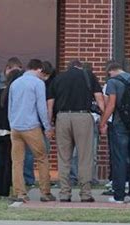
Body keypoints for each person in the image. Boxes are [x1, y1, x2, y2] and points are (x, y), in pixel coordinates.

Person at [47, 59, 104, 202]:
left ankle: (64, 193)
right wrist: (104, 118)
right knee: (85, 156)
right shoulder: (88, 76)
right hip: (83, 116)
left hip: (62, 117)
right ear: (80, 67)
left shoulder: (58, 78)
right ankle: (85, 193)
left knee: (64, 157)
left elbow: (50, 103)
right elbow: (99, 98)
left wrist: (49, 124)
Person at [8, 59, 55, 203]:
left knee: (17, 162)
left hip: (15, 127)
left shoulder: (15, 83)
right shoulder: (38, 83)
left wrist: (12, 124)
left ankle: (20, 193)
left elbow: (10, 106)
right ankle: (45, 192)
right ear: (39, 69)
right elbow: (41, 107)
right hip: (31, 126)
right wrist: (47, 127)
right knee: (42, 158)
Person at [99, 61, 130, 204]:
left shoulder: (113, 82)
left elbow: (111, 104)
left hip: (120, 125)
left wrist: (103, 121)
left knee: (120, 160)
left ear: (111, 71)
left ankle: (119, 196)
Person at [0, 69, 23, 197]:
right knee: (9, 161)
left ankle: (0, 190)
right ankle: (8, 187)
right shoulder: (15, 93)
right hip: (11, 129)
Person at [24, 61, 56, 186]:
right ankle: (45, 179)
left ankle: (28, 179)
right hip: (40, 124)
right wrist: (48, 125)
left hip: (29, 122)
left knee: (28, 153)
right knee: (43, 154)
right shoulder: (45, 85)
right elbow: (48, 107)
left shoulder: (27, 83)